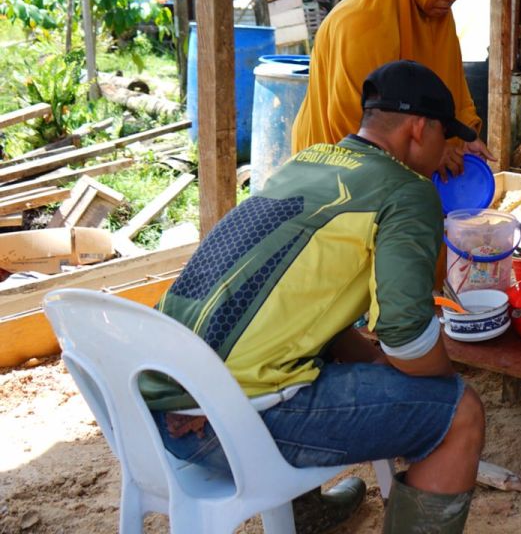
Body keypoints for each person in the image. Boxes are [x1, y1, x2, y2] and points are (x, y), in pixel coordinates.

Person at [141, 60, 486, 534]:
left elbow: (301, 300)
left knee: (325, 355)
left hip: (155, 401)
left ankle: (302, 513)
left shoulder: (307, 161)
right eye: (445, 136)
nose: (447, 149)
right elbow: (405, 333)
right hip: (224, 427)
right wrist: (436, 380)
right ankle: (302, 503)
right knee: (458, 413)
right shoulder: (408, 191)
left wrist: (369, 358)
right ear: (419, 128)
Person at [292, 0, 494, 176]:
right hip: (335, 161)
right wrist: (433, 150)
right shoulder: (360, 24)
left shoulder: (438, 18)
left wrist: (463, 136)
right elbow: (354, 122)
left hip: (398, 157)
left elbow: (450, 91)